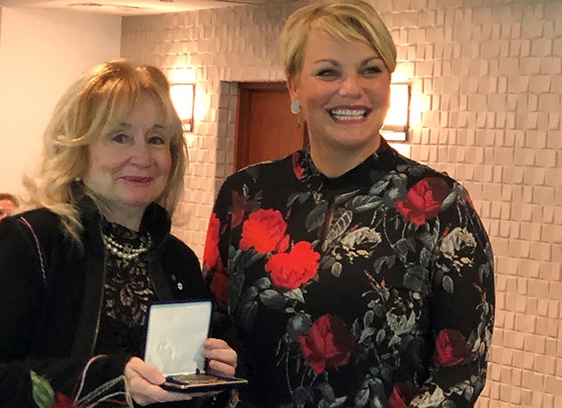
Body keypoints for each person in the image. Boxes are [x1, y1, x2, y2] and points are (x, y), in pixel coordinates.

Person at [202, 1, 495, 407]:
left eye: (370, 69)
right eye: (328, 72)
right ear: (293, 86)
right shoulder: (244, 194)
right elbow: (211, 335)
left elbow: (461, 373)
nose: (352, 88)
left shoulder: (441, 205)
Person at [0, 59, 237, 408]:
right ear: (77, 148)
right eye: (120, 137)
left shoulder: (177, 259)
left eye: (156, 139)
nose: (142, 156)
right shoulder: (33, 240)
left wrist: (211, 373)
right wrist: (109, 378)